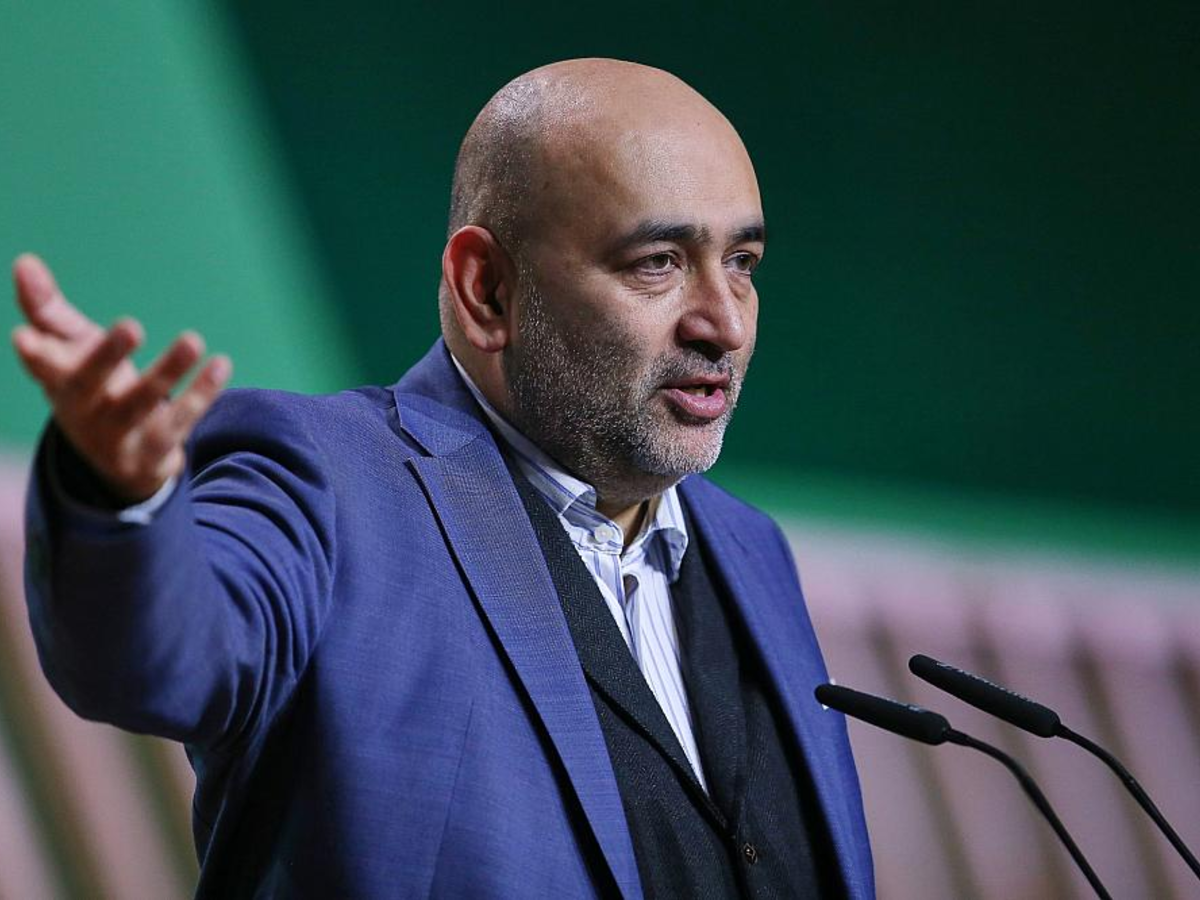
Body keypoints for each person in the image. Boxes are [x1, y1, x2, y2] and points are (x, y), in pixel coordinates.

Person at [12, 59, 872, 898]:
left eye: (742, 263)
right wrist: (119, 501)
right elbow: (157, 660)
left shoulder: (751, 550)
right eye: (658, 262)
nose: (723, 323)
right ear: (486, 288)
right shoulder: (325, 481)